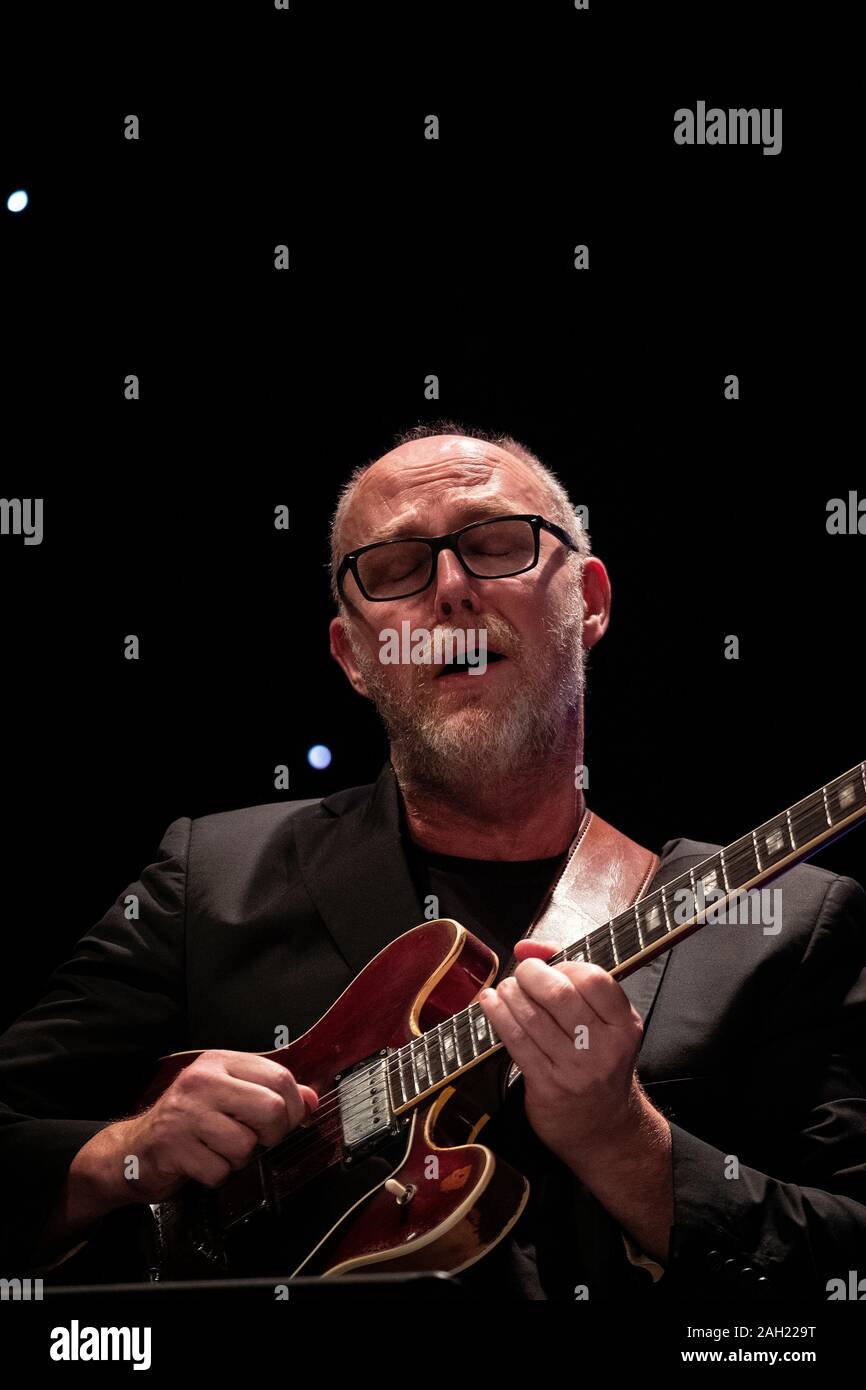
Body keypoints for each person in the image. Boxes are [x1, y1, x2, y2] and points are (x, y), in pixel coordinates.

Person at [1, 423, 864, 1301]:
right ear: (352, 655)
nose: (449, 589)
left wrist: (627, 1148)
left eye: (495, 547)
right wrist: (117, 1157)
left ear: (590, 602)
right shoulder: (211, 878)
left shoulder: (784, 924)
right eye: (395, 568)